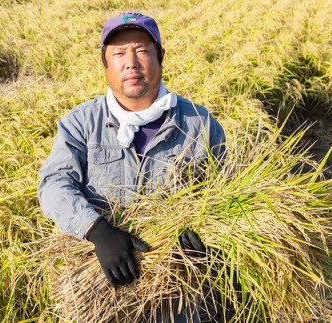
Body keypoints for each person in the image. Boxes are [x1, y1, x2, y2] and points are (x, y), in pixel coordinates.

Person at [38, 12, 227, 322]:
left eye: (142, 50)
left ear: (160, 56)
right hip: (108, 286)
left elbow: (224, 191)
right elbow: (54, 185)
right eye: (119, 53)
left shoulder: (199, 123)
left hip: (183, 288)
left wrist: (210, 238)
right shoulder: (81, 124)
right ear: (105, 65)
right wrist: (96, 230)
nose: (131, 62)